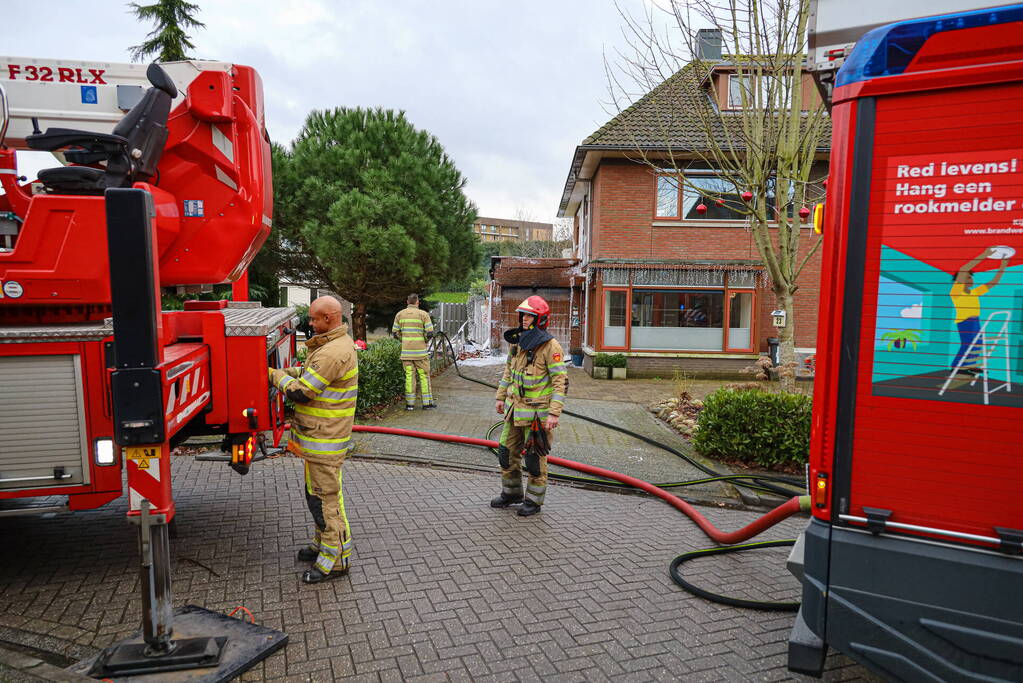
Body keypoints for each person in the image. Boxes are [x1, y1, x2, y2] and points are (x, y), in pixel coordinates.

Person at [269, 296, 358, 583]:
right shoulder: (329, 346)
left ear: (330, 318)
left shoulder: (333, 353)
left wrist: (273, 375)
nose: (310, 323)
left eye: (314, 319)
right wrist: (286, 372)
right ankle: (322, 545)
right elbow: (309, 374)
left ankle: (335, 562)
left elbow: (301, 391)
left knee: (325, 502)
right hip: (319, 439)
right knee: (316, 497)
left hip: (324, 441)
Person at [492, 296, 568, 517]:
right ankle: (512, 494)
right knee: (506, 452)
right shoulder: (517, 341)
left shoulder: (551, 346)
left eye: (529, 316)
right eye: (523, 315)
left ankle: (533, 501)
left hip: (537, 416)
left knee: (534, 460)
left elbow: (560, 382)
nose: (524, 319)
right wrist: (500, 397)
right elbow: (509, 371)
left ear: (539, 319)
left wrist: (554, 413)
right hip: (513, 411)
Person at [949, 247, 1008, 374]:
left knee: (977, 343)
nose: (971, 280)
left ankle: (970, 365)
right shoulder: (956, 292)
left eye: (971, 277)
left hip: (975, 320)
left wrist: (1002, 265)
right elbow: (963, 269)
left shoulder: (974, 292)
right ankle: (957, 366)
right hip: (965, 321)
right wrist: (985, 254)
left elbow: (993, 282)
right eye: (968, 278)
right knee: (968, 343)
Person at [392, 293, 436, 410]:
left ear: (407, 302)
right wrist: (424, 341)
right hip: (420, 353)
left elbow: (395, 333)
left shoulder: (400, 314)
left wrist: (404, 340)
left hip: (406, 353)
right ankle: (427, 404)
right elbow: (430, 333)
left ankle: (410, 405)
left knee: (409, 377)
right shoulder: (423, 314)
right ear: (417, 302)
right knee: (423, 376)